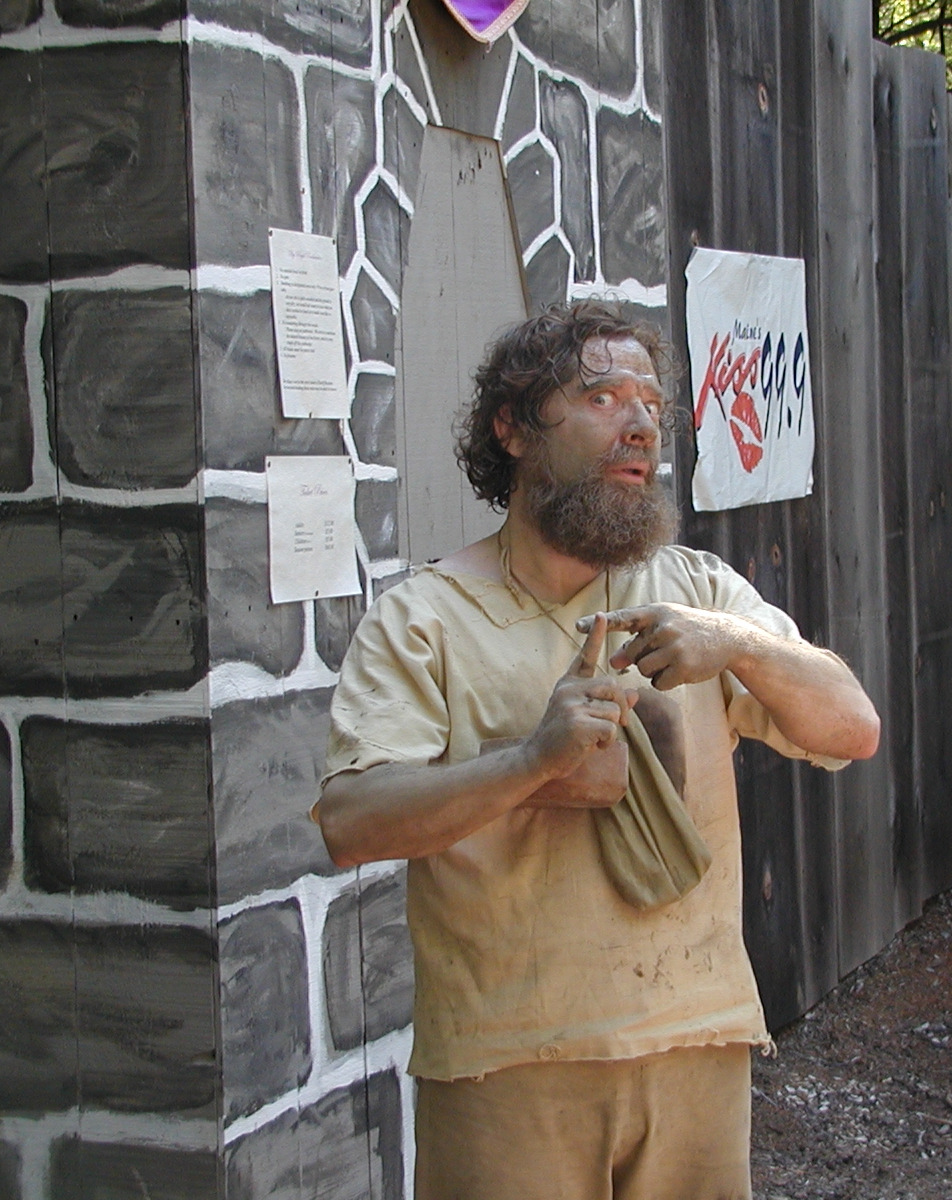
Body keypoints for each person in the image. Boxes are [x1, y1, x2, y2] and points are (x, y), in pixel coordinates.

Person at [315, 301, 880, 1200]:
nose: (641, 423)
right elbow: (350, 823)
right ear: (512, 430)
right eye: (603, 396)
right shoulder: (425, 618)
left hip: (696, 1041)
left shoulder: (697, 592)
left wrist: (740, 646)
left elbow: (853, 728)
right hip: (506, 1064)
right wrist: (529, 764)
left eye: (651, 403)